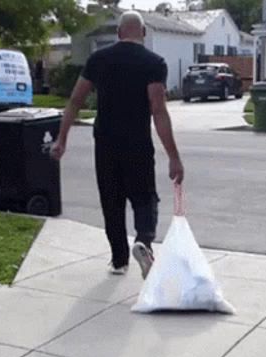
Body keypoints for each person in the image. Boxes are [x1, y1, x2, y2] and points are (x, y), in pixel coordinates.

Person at [51, 10, 184, 279]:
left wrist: (61, 140)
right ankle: (143, 243)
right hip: (137, 143)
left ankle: (119, 260)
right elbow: (158, 110)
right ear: (143, 33)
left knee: (111, 202)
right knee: (145, 198)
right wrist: (174, 156)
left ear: (119, 33)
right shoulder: (153, 63)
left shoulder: (99, 59)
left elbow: (75, 101)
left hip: (105, 143)